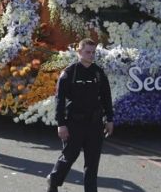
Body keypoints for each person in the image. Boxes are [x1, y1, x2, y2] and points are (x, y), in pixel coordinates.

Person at [46, 39, 114, 192]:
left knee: (92, 162)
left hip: (95, 124)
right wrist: (61, 124)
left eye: (93, 52)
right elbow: (60, 101)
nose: (91, 55)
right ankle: (54, 180)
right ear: (79, 52)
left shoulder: (98, 72)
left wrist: (109, 119)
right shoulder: (69, 73)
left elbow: (106, 97)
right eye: (88, 52)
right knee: (69, 156)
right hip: (74, 123)